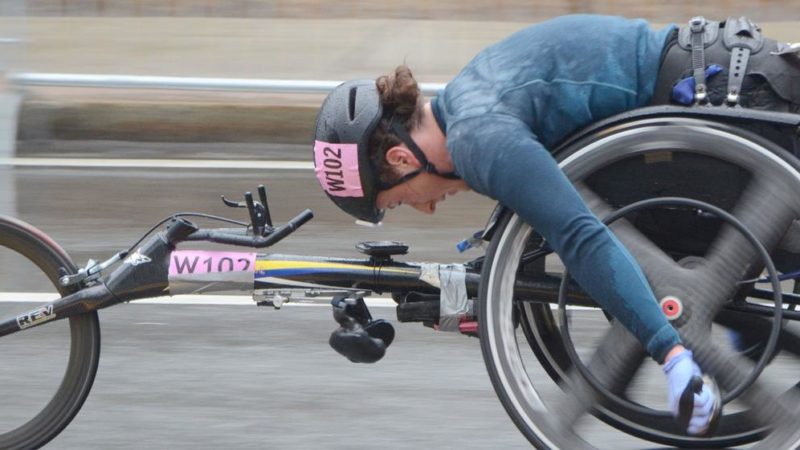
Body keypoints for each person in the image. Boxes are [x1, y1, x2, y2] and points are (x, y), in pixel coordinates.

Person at [312, 14, 798, 436]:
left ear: (400, 158)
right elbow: (551, 215)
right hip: (714, 84)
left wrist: (673, 356)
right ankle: (753, 328)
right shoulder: (470, 97)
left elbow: (581, 235)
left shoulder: (478, 139)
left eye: (399, 201)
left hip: (733, 98)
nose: (425, 209)